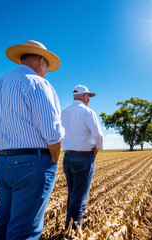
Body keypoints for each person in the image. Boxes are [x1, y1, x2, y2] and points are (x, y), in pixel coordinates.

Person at [0, 40, 64, 239]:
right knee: (25, 230)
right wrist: (53, 161)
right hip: (33, 162)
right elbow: (53, 133)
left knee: (3, 223)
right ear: (41, 61)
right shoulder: (37, 83)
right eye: (47, 67)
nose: (46, 72)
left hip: (2, 162)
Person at [61, 85, 103, 230]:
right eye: (88, 97)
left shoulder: (63, 112)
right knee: (79, 199)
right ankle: (72, 234)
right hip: (84, 158)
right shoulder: (88, 112)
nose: (89, 100)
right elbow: (98, 135)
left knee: (72, 195)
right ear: (85, 96)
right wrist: (96, 151)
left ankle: (68, 227)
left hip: (67, 158)